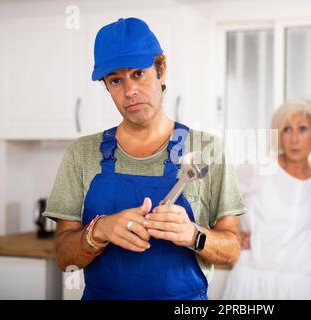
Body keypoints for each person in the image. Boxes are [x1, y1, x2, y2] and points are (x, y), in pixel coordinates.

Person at [43, 17, 246, 300]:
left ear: (161, 70)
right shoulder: (82, 153)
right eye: (116, 80)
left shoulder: (207, 149)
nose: (130, 91)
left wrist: (193, 235)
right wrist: (100, 230)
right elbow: (65, 258)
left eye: (139, 73)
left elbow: (233, 249)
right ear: (107, 86)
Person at [222, 100, 311, 300]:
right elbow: (217, 197)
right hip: (253, 280)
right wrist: (231, 233)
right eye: (286, 130)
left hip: (303, 283)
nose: (294, 139)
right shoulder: (258, 169)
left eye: (302, 129)